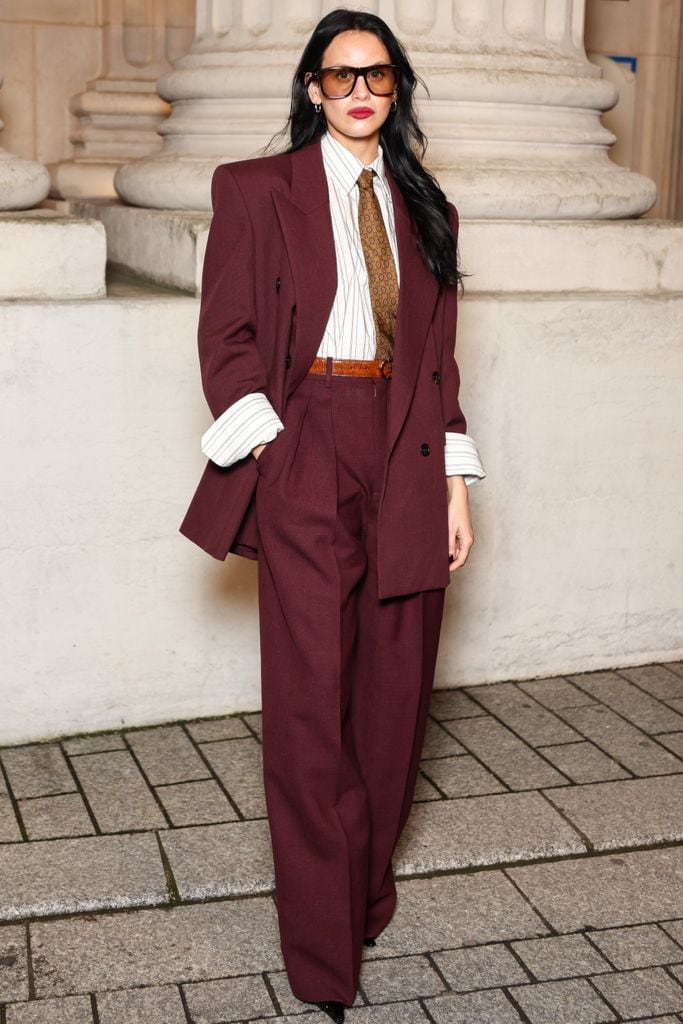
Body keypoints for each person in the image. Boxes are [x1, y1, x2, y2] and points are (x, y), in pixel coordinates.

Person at [180, 9, 485, 1021]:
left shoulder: (422, 201)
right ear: (311, 87)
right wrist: (275, 447)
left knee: (394, 693)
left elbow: (438, 364)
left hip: (403, 446)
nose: (360, 90)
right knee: (312, 702)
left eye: (379, 76)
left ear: (394, 92)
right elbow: (224, 336)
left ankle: (360, 886)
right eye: (340, 73)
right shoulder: (253, 189)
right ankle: (319, 952)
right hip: (304, 441)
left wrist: (452, 479)